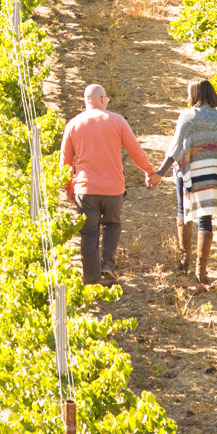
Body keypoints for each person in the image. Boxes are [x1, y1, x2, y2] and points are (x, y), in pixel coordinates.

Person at [60, 84, 158, 284]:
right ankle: (107, 265)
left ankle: (91, 280)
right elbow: (135, 151)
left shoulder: (73, 124)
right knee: (112, 224)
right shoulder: (117, 121)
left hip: (85, 190)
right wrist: (150, 171)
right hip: (114, 190)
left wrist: (69, 189)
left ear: (86, 101)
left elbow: (65, 163)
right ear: (103, 99)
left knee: (89, 234)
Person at [151, 79, 217, 284]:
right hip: (212, 174)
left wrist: (159, 173)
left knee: (184, 213)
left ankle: (184, 262)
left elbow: (175, 149)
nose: (186, 98)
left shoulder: (188, 117)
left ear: (197, 94)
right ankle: (202, 271)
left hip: (189, 173)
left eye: (188, 94)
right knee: (206, 220)